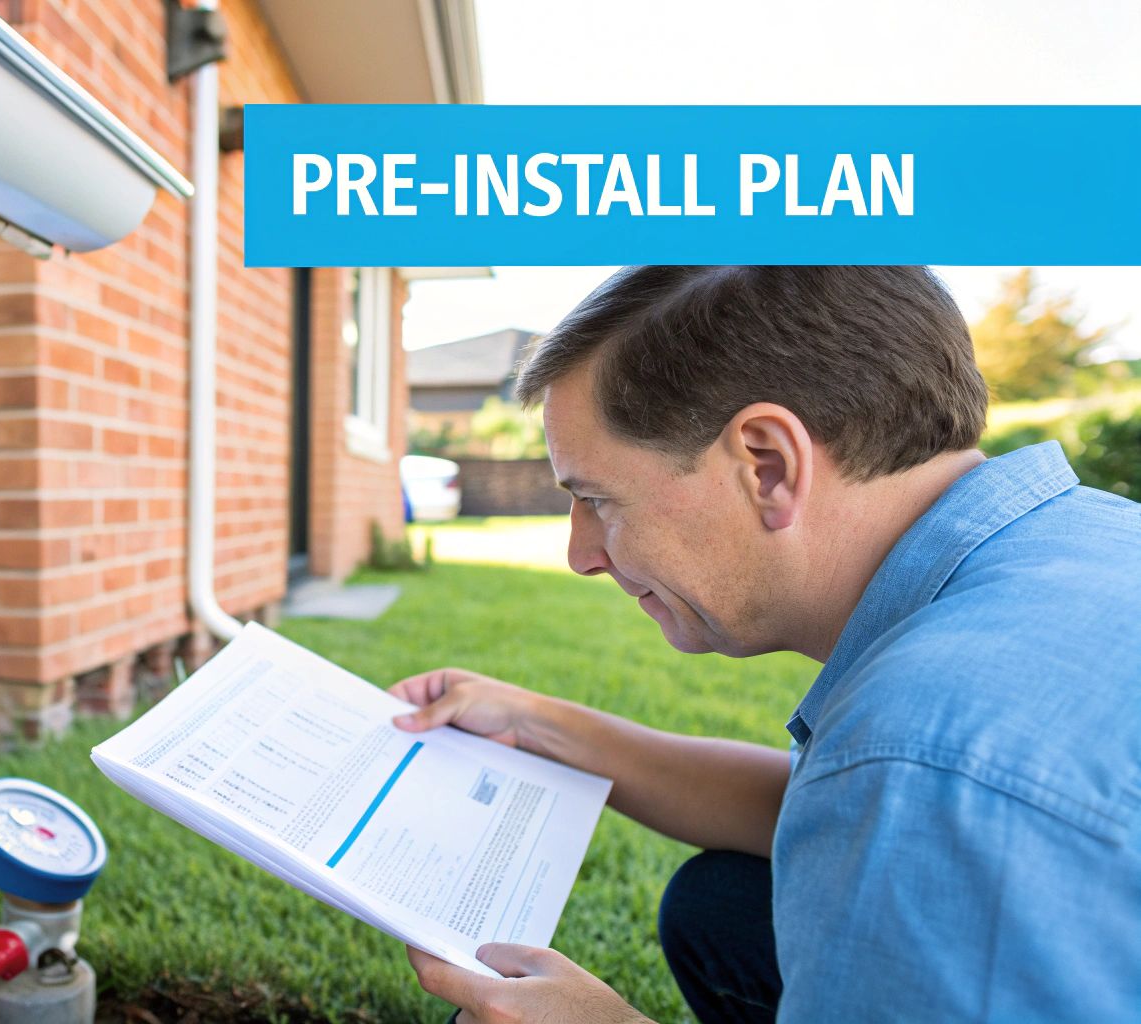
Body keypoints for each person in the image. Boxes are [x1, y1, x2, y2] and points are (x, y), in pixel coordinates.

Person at [391, 266, 1141, 1023]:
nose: (581, 554)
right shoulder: (1082, 541)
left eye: (595, 499)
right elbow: (827, 808)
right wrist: (538, 725)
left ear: (769, 465)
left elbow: (905, 789)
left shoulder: (922, 760)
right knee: (726, 907)